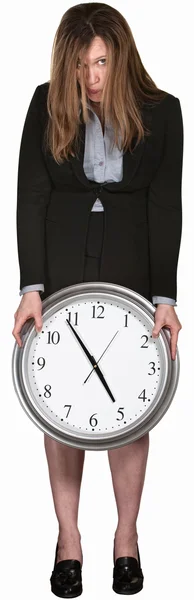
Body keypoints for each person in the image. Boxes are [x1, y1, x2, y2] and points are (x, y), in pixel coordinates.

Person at [12, 2, 183, 596]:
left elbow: (165, 205)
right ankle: (68, 540)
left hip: (132, 273)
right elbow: (30, 195)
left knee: (128, 415)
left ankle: (127, 539)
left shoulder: (164, 113)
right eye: (83, 64)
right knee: (59, 413)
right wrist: (29, 288)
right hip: (60, 274)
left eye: (103, 62)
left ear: (121, 58)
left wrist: (166, 296)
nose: (93, 77)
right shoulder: (45, 102)